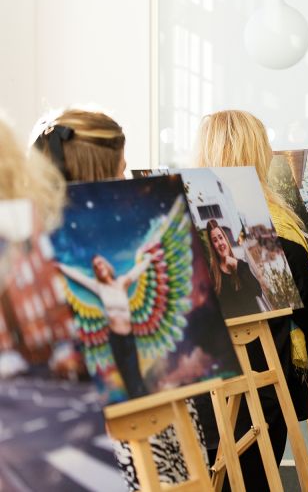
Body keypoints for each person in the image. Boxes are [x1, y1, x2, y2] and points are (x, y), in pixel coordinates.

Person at [35, 108, 203, 490]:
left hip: (139, 391)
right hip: (113, 436)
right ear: (99, 173)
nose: (128, 179)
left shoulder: (35, 244)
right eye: (122, 168)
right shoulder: (41, 252)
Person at [194, 109, 308, 490]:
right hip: (265, 385)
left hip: (198, 386)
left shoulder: (178, 232)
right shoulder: (278, 230)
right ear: (256, 155)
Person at [58, 253, 152, 397]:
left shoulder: (121, 283)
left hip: (129, 336)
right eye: (95, 266)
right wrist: (60, 266)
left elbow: (136, 271)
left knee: (136, 374)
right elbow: (79, 277)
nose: (98, 267)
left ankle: (146, 403)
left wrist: (149, 259)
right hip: (116, 338)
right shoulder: (99, 287)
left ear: (107, 265)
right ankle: (138, 407)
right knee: (127, 377)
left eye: (100, 263)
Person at [205, 219, 266, 317]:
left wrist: (237, 265)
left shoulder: (241, 265)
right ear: (213, 246)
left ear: (225, 239)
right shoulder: (213, 276)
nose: (220, 243)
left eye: (221, 237)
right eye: (215, 240)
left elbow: (258, 291)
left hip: (256, 325)